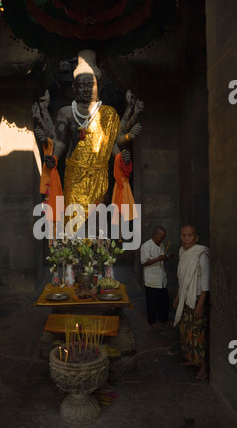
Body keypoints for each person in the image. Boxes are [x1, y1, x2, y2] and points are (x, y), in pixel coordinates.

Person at [37, 50, 142, 232]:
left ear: (98, 87)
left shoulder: (108, 113)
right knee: (73, 216)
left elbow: (110, 145)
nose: (85, 89)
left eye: (90, 85)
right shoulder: (66, 112)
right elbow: (60, 141)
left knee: (98, 217)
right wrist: (54, 158)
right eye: (81, 85)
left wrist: (120, 157)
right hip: (75, 173)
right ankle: (71, 256)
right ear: (73, 89)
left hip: (99, 174)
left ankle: (98, 256)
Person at [173, 225, 210, 380]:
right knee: (186, 332)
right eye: (183, 235)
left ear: (196, 238)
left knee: (198, 334)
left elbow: (205, 282)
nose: (186, 238)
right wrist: (177, 295)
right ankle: (193, 360)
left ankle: (203, 366)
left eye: (189, 235)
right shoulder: (183, 252)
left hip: (196, 300)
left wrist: (200, 305)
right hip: (185, 298)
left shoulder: (201, 254)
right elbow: (182, 278)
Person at [140, 226, 172, 329]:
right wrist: (158, 258)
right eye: (161, 237)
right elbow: (144, 262)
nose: (162, 240)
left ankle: (163, 319)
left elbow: (162, 259)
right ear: (155, 235)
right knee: (152, 302)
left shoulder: (161, 245)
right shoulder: (146, 246)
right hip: (152, 280)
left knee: (164, 301)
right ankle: (152, 321)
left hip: (161, 279)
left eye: (163, 238)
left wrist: (166, 258)